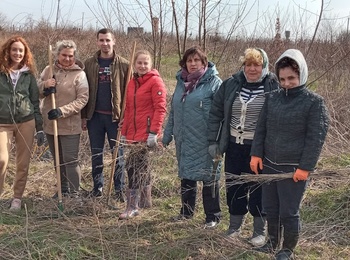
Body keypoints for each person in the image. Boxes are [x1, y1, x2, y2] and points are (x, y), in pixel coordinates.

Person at [250, 49, 329, 259]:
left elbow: (315, 139)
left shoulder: (314, 103)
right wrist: (256, 154)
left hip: (293, 169)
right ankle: (272, 242)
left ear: (301, 74)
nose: (286, 83)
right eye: (282, 79)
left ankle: (287, 249)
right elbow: (261, 129)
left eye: (291, 78)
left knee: (288, 211)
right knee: (270, 208)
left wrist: (305, 167)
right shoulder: (272, 98)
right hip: (269, 164)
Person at [207, 48, 279, 244]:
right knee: (234, 187)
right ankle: (234, 228)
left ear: (264, 66)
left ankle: (258, 231)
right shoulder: (231, 84)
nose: (252, 69)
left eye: (257, 65)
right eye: (248, 64)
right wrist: (213, 142)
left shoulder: (274, 85)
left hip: (258, 149)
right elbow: (216, 114)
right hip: (233, 146)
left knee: (258, 189)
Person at [162, 46, 222, 228]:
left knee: (209, 177)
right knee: (187, 175)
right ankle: (186, 212)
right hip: (185, 139)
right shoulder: (181, 83)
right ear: (184, 63)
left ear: (204, 62)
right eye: (189, 60)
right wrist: (167, 136)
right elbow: (174, 112)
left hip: (207, 140)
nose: (193, 63)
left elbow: (222, 113)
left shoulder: (214, 83)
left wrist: (219, 140)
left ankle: (212, 216)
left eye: (197, 60)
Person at [82, 28, 129, 201]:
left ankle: (119, 189)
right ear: (97, 42)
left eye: (108, 40)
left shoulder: (124, 64)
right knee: (96, 154)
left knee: (118, 155)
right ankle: (98, 187)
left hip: (115, 118)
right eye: (101, 40)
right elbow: (83, 92)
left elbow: (129, 93)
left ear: (114, 41)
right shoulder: (89, 64)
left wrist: (126, 117)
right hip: (95, 117)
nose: (105, 43)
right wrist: (84, 117)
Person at [119, 50, 166, 219]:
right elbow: (129, 110)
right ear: (134, 64)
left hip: (146, 134)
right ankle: (146, 201)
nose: (142, 66)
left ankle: (132, 206)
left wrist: (153, 132)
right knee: (142, 167)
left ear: (151, 65)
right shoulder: (132, 82)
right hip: (133, 133)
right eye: (139, 63)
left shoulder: (155, 82)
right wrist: (124, 132)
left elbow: (160, 109)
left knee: (133, 168)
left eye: (146, 63)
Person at [38, 40, 89, 198]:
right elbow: (37, 91)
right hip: (51, 124)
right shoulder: (49, 70)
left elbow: (83, 99)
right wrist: (45, 86)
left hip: (70, 125)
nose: (67, 58)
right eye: (64, 55)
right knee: (57, 159)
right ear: (57, 55)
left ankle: (74, 193)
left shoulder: (79, 74)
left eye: (70, 56)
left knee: (70, 160)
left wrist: (62, 111)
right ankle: (62, 189)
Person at [0, 36, 44, 210]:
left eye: (21, 50)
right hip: (2, 122)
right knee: (2, 159)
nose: (17, 53)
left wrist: (39, 128)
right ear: (7, 52)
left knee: (23, 162)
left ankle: (17, 198)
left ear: (25, 54)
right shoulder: (1, 73)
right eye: (14, 50)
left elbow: (35, 102)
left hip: (26, 121)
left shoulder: (28, 75)